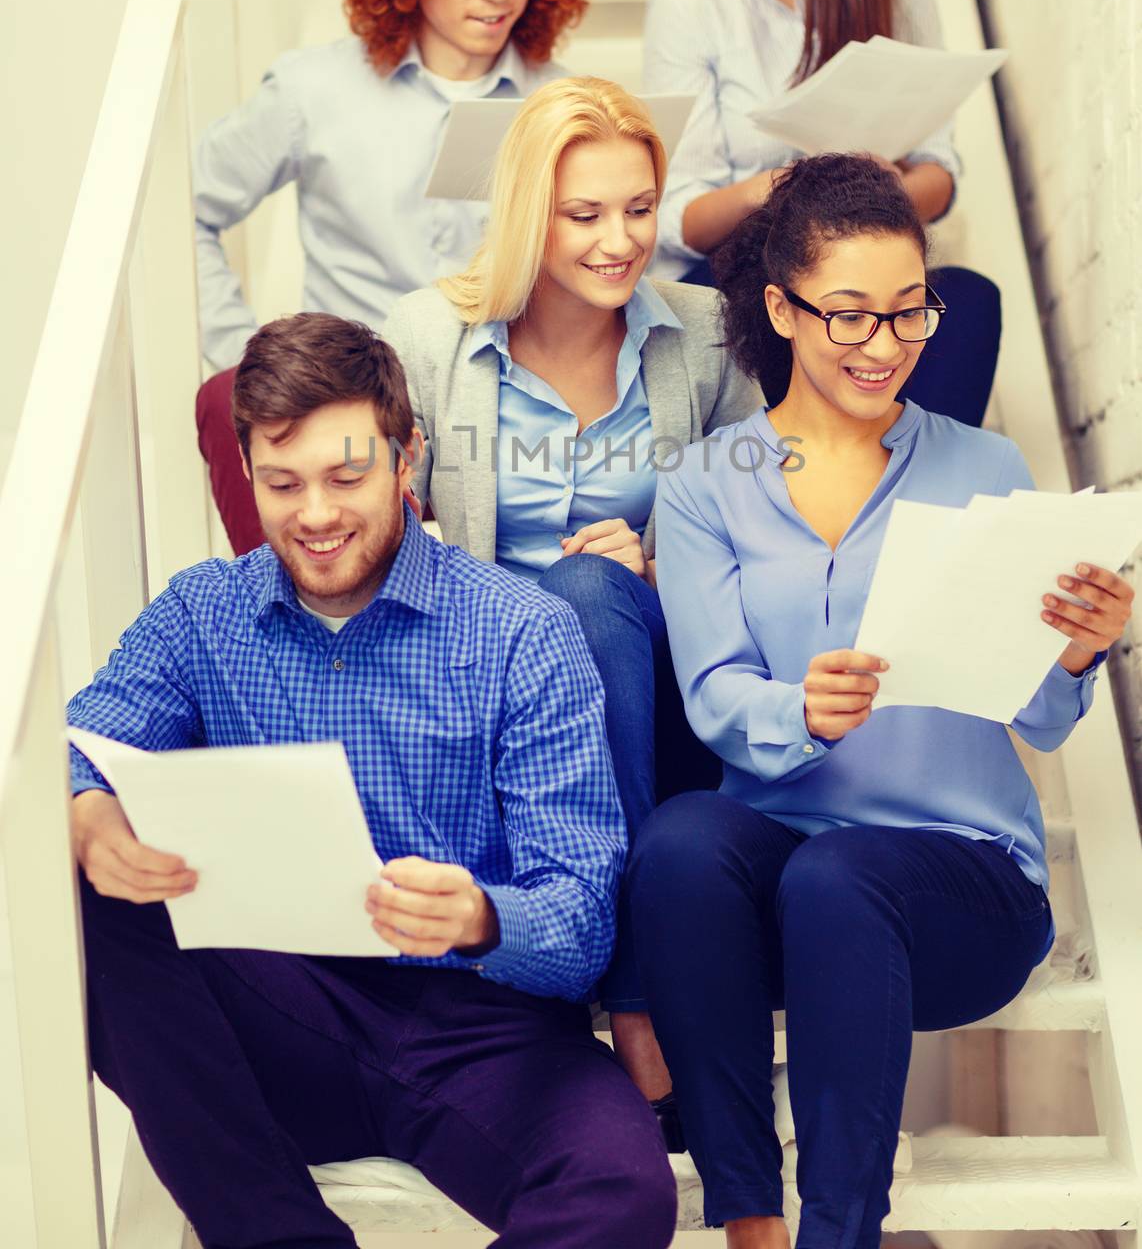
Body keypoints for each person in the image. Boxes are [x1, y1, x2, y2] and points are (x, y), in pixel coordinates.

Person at [69, 313, 677, 1249]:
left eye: (347, 476)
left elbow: (584, 921)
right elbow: (84, 745)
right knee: (86, 875)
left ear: (408, 459)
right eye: (282, 483)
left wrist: (481, 917)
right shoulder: (200, 613)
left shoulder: (523, 634)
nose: (314, 515)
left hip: (487, 1033)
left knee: (624, 1193)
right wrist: (90, 810)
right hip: (286, 1014)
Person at [627, 153, 1134, 1246]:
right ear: (780, 307)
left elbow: (1036, 716)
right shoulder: (706, 480)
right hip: (783, 885)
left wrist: (1076, 657)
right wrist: (798, 712)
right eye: (848, 315)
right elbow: (713, 697)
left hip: (960, 888)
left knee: (840, 873)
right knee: (678, 843)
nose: (883, 345)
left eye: (908, 314)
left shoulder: (984, 462)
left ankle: (839, 1234)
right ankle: (752, 1219)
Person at [382, 75, 759, 1115]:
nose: (619, 240)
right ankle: (624, 992)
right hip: (488, 674)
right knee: (558, 605)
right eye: (583, 213)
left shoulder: (707, 332)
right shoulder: (424, 338)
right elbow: (383, 524)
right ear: (523, 211)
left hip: (651, 654)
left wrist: (654, 555)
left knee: (590, 592)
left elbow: (763, 517)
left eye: (639, 208)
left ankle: (631, 992)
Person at [194, 0, 588, 555]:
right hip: (343, 394)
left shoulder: (564, 104)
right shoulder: (313, 89)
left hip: (498, 401)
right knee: (232, 397)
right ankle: (296, 633)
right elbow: (180, 212)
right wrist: (238, 349)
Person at [642, 0, 1000, 426]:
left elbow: (940, 176)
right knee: (697, 313)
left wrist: (877, 185)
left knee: (969, 301)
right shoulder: (691, 1)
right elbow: (677, 217)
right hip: (751, 280)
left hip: (870, 276)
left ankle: (898, 510)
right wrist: (785, 188)